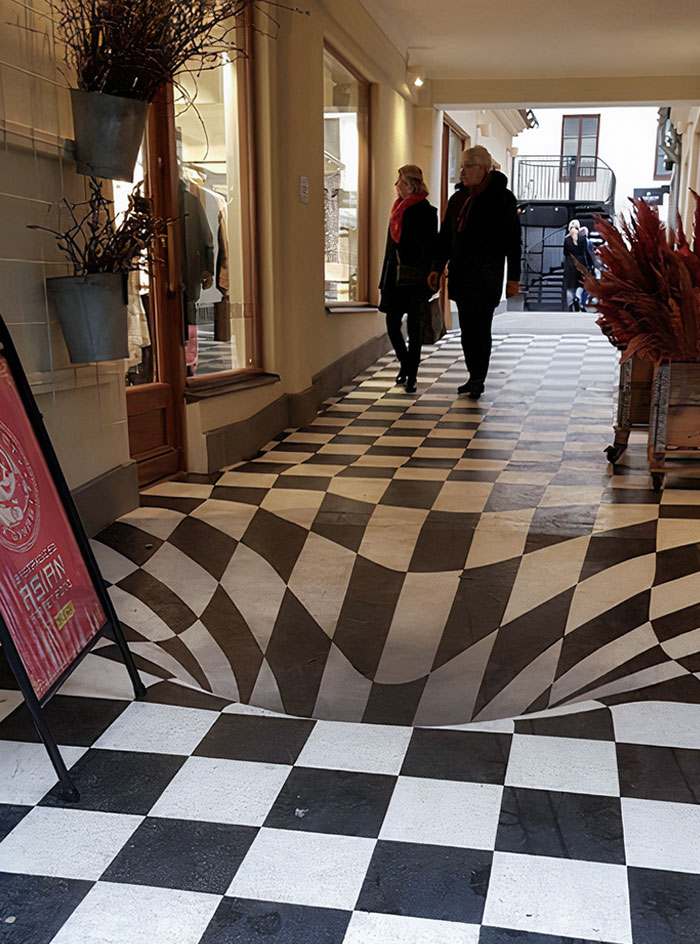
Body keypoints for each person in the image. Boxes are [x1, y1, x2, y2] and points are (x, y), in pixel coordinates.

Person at [428, 146, 521, 400]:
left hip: (487, 276)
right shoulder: (457, 199)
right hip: (461, 275)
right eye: (462, 166)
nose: (462, 171)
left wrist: (514, 278)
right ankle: (473, 375)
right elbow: (445, 237)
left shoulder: (503, 199)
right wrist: (437, 267)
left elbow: (514, 242)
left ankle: (479, 377)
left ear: (482, 169)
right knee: (468, 330)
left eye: (468, 166)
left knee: (481, 328)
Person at [379, 164, 438, 394]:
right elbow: (389, 248)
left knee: (414, 329)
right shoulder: (396, 210)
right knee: (392, 325)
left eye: (400, 182)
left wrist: (429, 276)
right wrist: (384, 279)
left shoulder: (426, 211)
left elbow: (431, 247)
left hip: (415, 280)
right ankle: (405, 362)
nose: (396, 186)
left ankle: (412, 375)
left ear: (411, 185)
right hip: (394, 278)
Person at [563, 219, 595, 312]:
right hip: (582, 264)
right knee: (581, 284)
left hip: (570, 265)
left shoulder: (566, 239)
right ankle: (578, 298)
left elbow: (565, 253)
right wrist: (590, 265)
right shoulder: (583, 239)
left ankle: (571, 303)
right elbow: (586, 253)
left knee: (570, 286)